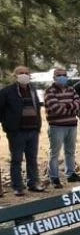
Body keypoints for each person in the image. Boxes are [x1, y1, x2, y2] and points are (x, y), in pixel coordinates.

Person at [0, 65, 45, 195]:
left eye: (26, 73)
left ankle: (33, 183)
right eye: (21, 73)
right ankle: (17, 186)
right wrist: (8, 125)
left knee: (32, 158)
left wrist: (38, 126)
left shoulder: (33, 90)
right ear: (15, 75)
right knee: (16, 159)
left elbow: (37, 108)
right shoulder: (7, 91)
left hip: (33, 130)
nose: (24, 75)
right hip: (16, 132)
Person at [44, 67, 80, 188]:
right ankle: (54, 177)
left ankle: (71, 173)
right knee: (54, 153)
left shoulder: (71, 89)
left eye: (64, 75)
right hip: (56, 126)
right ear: (54, 77)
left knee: (70, 151)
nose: (62, 77)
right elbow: (56, 109)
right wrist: (72, 107)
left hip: (72, 125)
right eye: (59, 75)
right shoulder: (49, 91)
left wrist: (66, 106)